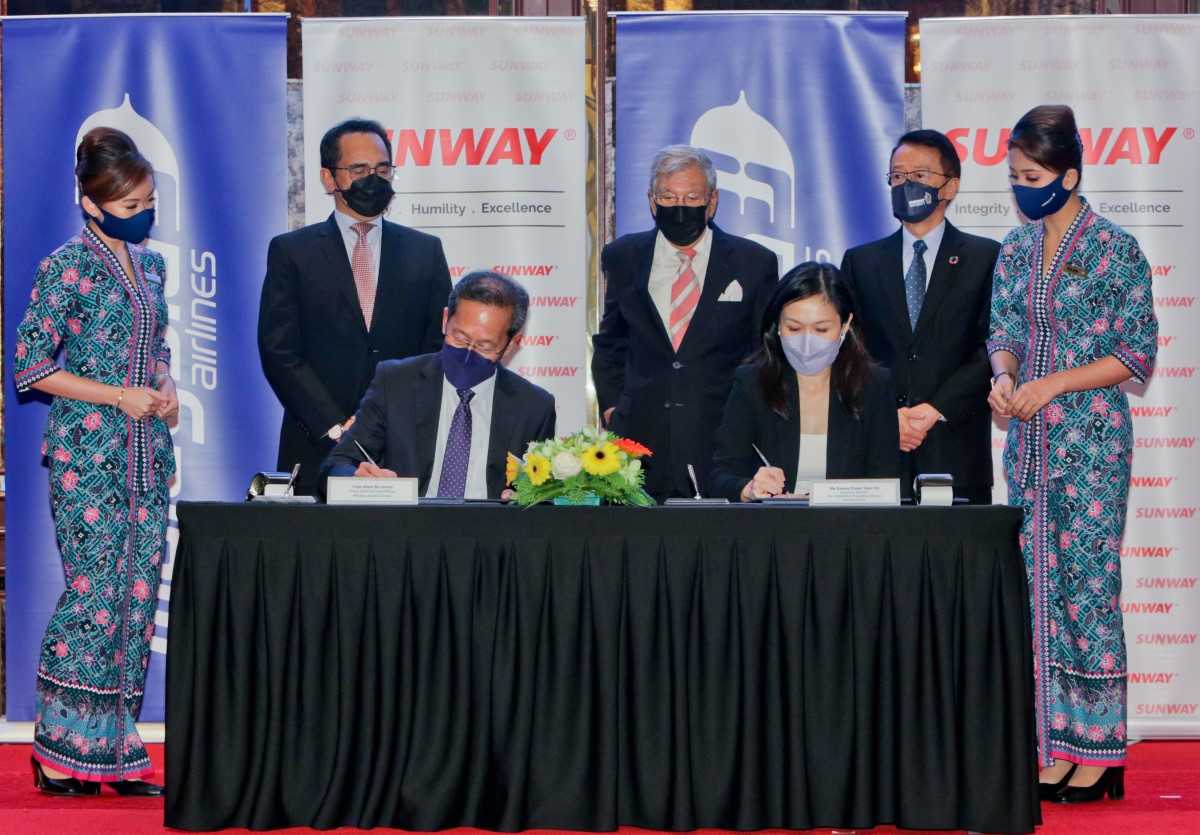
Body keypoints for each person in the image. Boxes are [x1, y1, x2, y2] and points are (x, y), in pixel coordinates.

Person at [988, 104, 1157, 804]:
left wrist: (1057, 379)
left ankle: (1099, 746)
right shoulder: (1018, 247)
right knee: (1034, 590)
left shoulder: (1115, 248)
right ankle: (1049, 741)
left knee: (1087, 588)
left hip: (1090, 445)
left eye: (1032, 175)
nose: (1022, 186)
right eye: (1015, 175)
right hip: (1029, 445)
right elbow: (1001, 326)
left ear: (1069, 174)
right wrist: (1003, 376)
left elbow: (1136, 350)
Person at [13, 128, 177, 797]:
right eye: (132, 200)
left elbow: (155, 348)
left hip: (147, 452)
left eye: (149, 197)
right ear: (91, 202)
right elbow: (31, 367)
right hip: (89, 452)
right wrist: (117, 394)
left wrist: (164, 391)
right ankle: (58, 746)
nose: (144, 208)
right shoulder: (64, 267)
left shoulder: (154, 266)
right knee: (93, 596)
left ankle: (113, 744)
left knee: (136, 598)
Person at [258, 117, 452, 495]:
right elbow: (279, 350)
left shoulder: (424, 251)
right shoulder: (292, 252)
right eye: (359, 170)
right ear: (329, 179)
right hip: (315, 439)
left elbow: (437, 347)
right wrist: (334, 423)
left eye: (382, 169)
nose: (373, 180)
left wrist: (399, 420)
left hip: (401, 445)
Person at [592, 144, 778, 502]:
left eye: (693, 196)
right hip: (638, 445)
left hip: (723, 441)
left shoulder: (753, 263)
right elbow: (611, 343)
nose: (680, 207)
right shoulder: (623, 257)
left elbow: (762, 353)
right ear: (651, 200)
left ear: (712, 201)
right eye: (668, 195)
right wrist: (614, 408)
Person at [841, 129, 1000, 504]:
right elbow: (850, 350)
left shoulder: (987, 258)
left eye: (920, 176)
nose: (906, 184)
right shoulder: (860, 262)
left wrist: (934, 409)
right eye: (898, 176)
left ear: (949, 187)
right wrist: (886, 416)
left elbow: (993, 348)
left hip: (957, 449)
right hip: (878, 452)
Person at [320, 270, 556, 498]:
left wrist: (524, 499)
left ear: (512, 342)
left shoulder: (534, 407)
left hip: (490, 535)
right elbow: (336, 465)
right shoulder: (395, 382)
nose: (468, 354)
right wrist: (356, 478)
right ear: (445, 320)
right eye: (460, 338)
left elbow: (543, 496)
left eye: (485, 346)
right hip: (405, 531)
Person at [709, 262, 900, 502]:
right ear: (777, 324)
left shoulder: (874, 386)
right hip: (771, 529)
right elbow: (721, 477)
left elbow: (885, 481)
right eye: (794, 328)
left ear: (846, 324)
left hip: (848, 529)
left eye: (821, 329)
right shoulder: (752, 382)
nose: (807, 343)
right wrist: (749, 489)